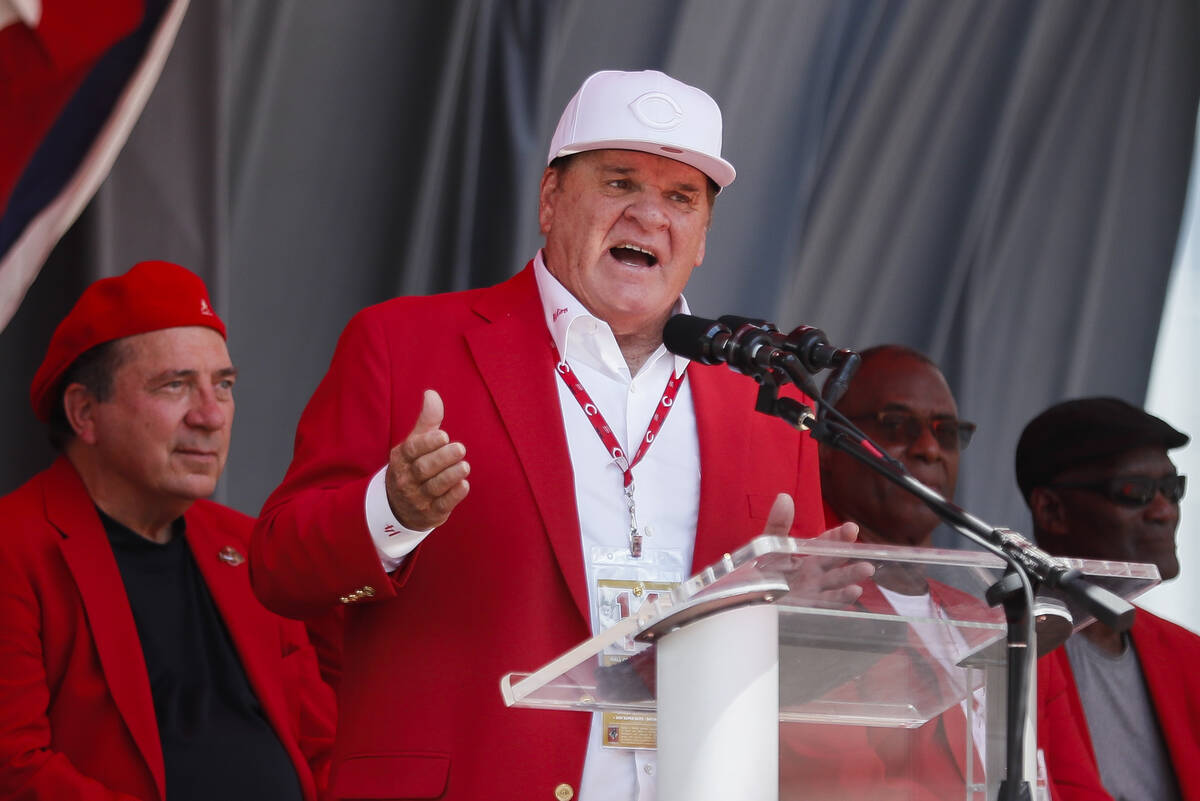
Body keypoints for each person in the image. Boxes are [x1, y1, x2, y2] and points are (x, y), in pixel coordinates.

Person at [250, 69, 870, 800]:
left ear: (703, 237)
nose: (650, 215)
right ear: (550, 200)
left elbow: (808, 695)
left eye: (681, 198)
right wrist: (393, 510)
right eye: (619, 183)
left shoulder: (770, 404)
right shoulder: (403, 343)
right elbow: (279, 566)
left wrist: (788, 623)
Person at [0, 261, 335, 801]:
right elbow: (15, 771)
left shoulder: (251, 548)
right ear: (85, 413)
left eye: (223, 386)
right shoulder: (13, 548)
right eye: (175, 385)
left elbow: (321, 745)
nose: (211, 416)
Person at [780, 345, 1113, 801]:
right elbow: (839, 786)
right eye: (896, 425)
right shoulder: (809, 607)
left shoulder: (1008, 622)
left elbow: (1076, 787)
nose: (929, 448)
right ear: (827, 444)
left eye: (947, 432)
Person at [1017, 397, 1199, 800]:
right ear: (1051, 509)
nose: (1164, 510)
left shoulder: (1188, 655)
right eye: (1135, 491)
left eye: (1172, 489)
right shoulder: (1006, 644)